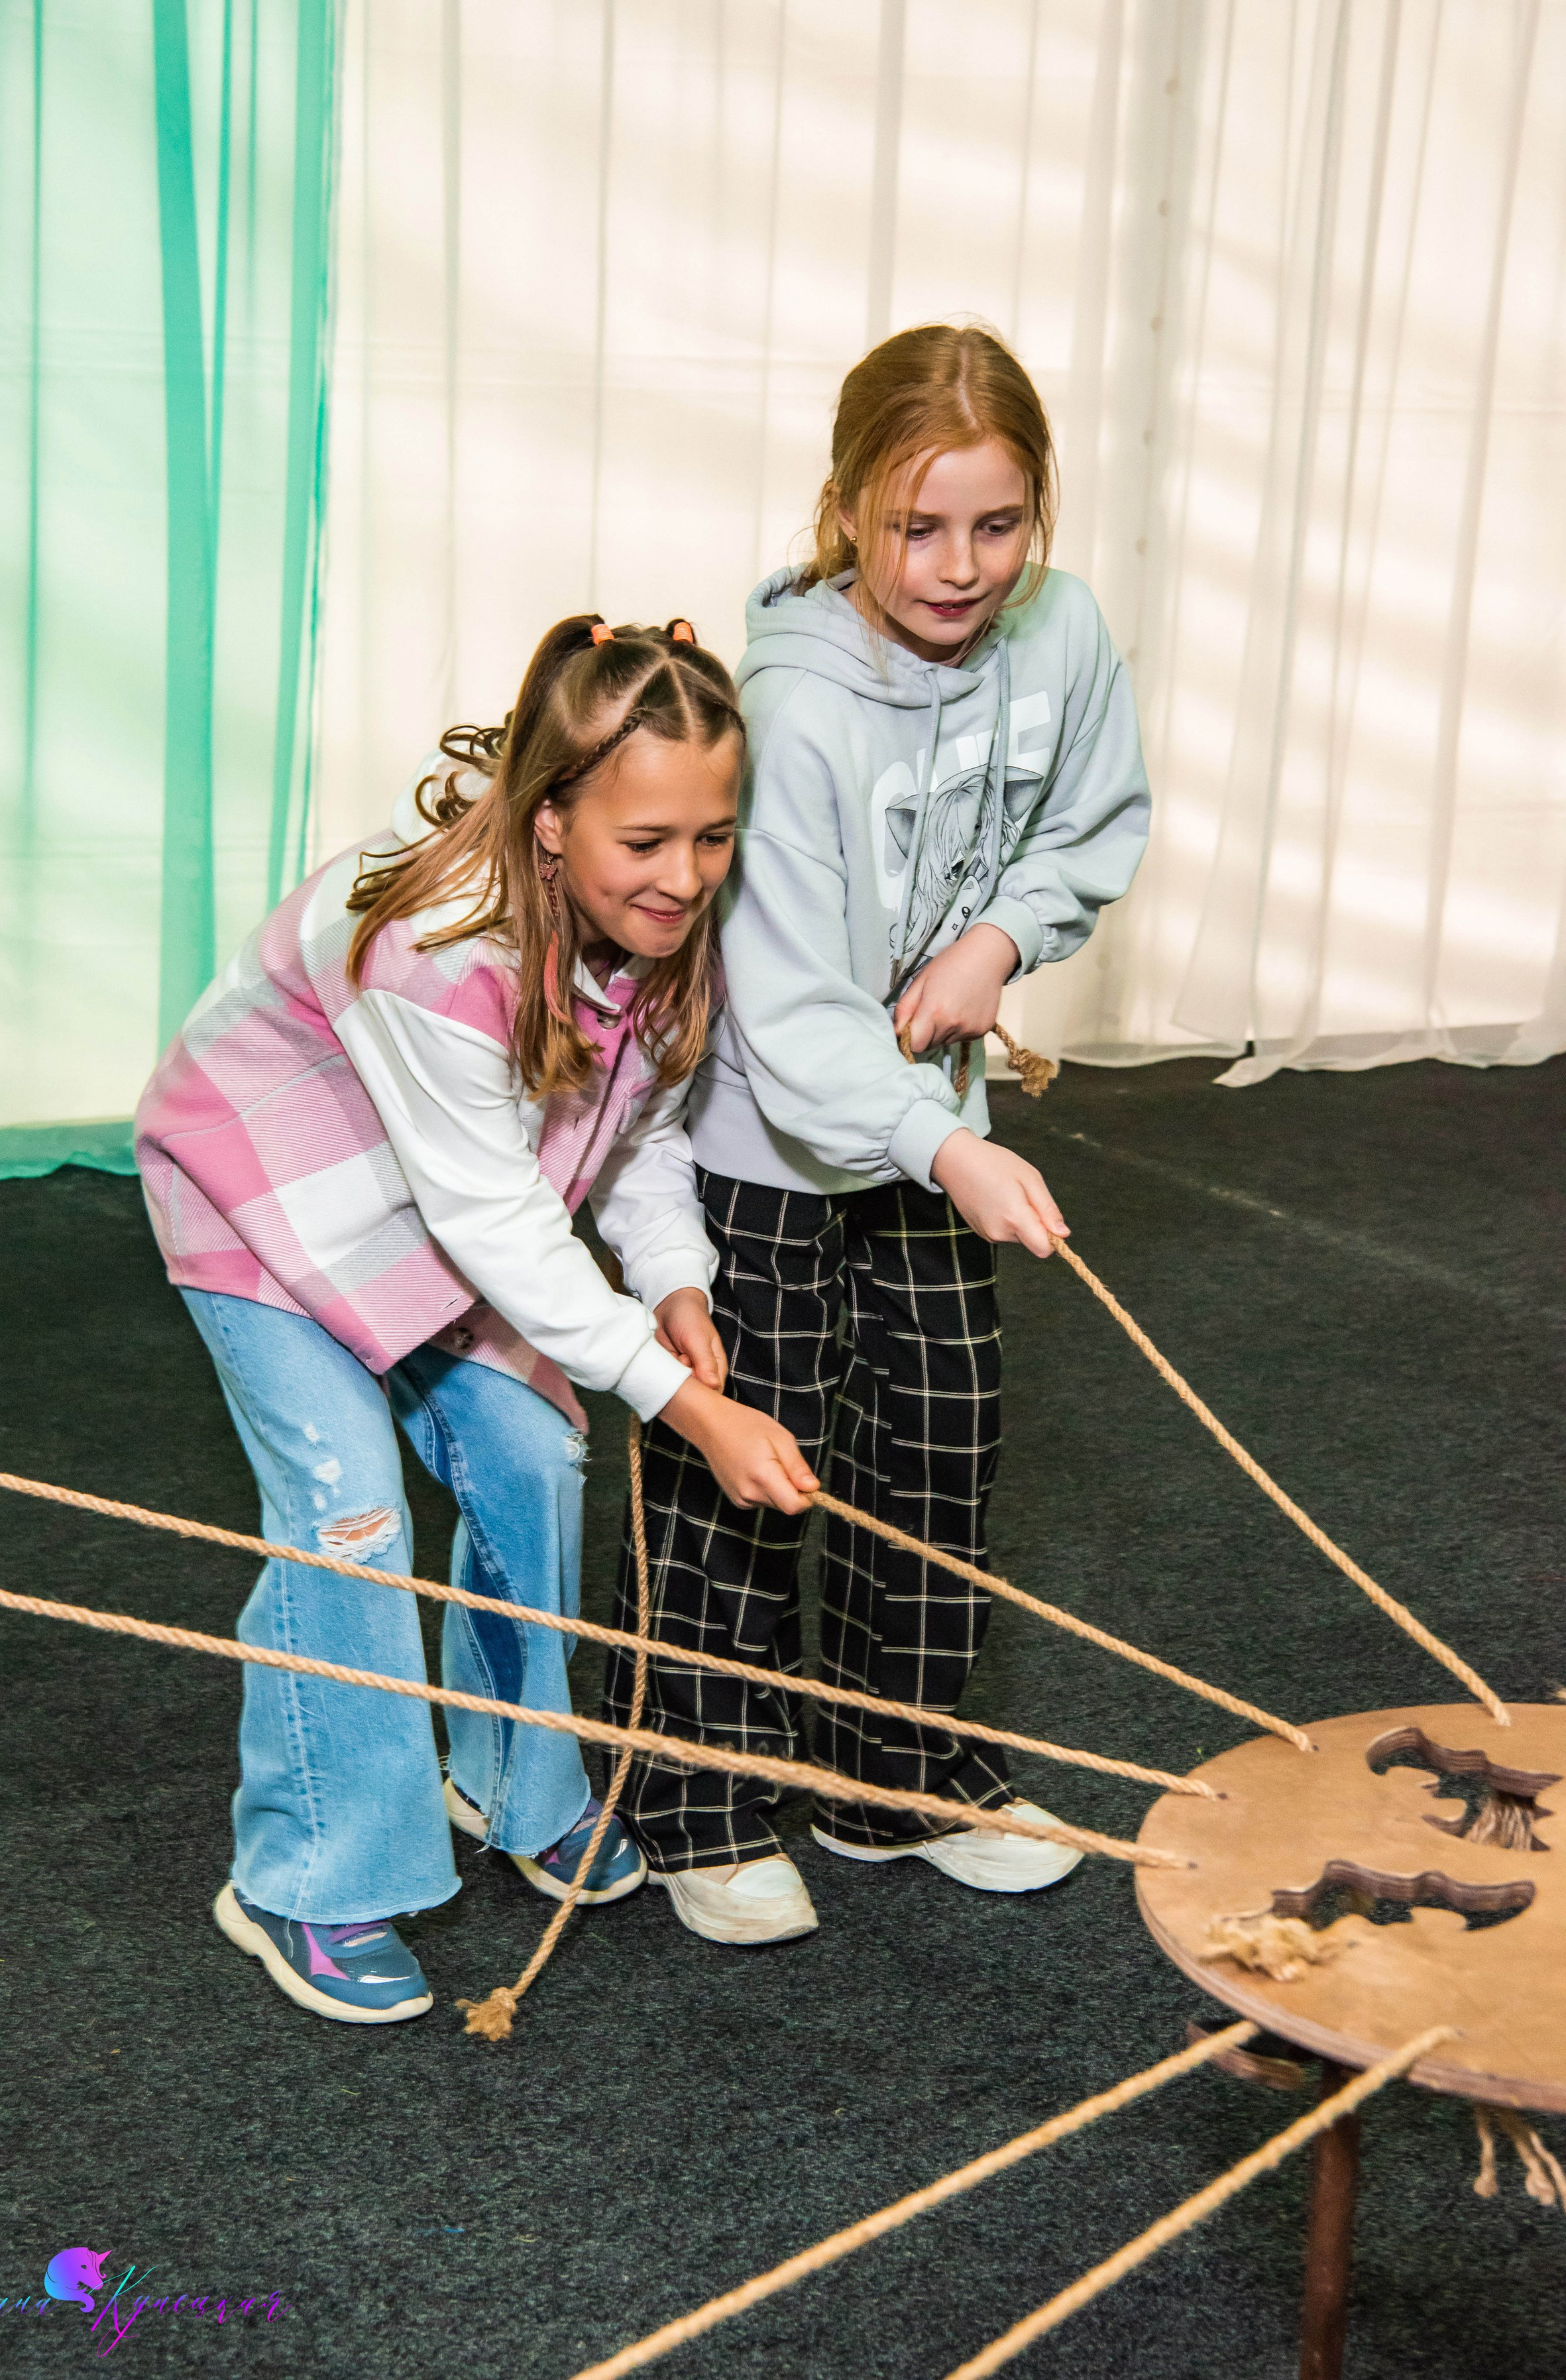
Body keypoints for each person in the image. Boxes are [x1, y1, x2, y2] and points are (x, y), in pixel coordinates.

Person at [134, 616, 816, 2023]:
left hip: (437, 1224)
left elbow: (638, 1133)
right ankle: (305, 1875)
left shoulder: (656, 924)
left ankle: (511, 1776)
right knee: (348, 1515)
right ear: (550, 816)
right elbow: (498, 1218)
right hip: (267, 1202)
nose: (684, 876)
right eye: (647, 842)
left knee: (532, 1461)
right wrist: (678, 1397)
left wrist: (673, 1275)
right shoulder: (441, 949)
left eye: (712, 835)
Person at [602, 325, 1152, 1946]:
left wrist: (1000, 943)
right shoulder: (792, 703)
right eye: (917, 527)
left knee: (938, 1444)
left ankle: (890, 1773)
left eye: (997, 525)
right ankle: (696, 1794)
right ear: (844, 509)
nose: (959, 565)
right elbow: (788, 1015)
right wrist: (949, 1145)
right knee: (747, 1465)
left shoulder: (1062, 635)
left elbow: (1089, 821)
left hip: (926, 1127)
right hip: (771, 1144)